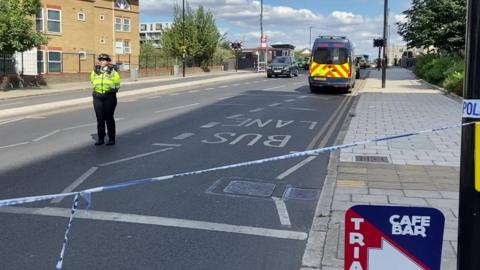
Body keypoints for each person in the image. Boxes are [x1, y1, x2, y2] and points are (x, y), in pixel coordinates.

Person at [90, 53, 120, 146]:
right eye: (100, 60)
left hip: (109, 96)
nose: (102, 61)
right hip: (97, 96)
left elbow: (117, 85)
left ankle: (111, 138)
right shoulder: (95, 71)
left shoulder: (113, 72)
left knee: (109, 118)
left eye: (104, 60)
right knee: (100, 119)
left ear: (108, 61)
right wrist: (96, 92)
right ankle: (100, 138)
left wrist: (110, 90)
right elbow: (92, 82)